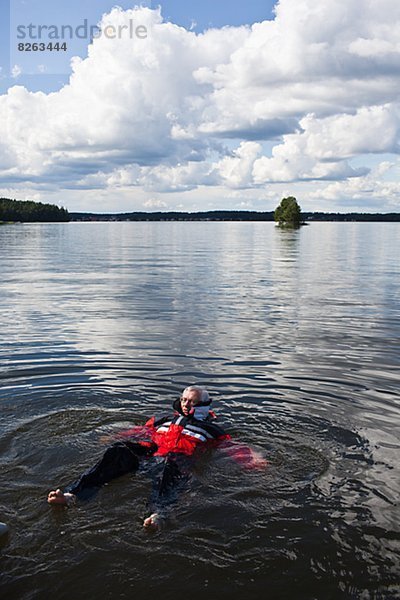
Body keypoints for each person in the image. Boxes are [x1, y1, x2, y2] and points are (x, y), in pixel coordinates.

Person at [47, 386, 267, 529]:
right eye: (183, 400)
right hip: (149, 454)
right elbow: (140, 431)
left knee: (168, 470)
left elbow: (232, 446)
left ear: (203, 405)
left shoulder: (211, 429)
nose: (185, 404)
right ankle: (72, 494)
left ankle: (158, 514)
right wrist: (115, 436)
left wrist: (252, 459)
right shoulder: (163, 419)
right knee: (117, 451)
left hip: (177, 459)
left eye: (191, 401)